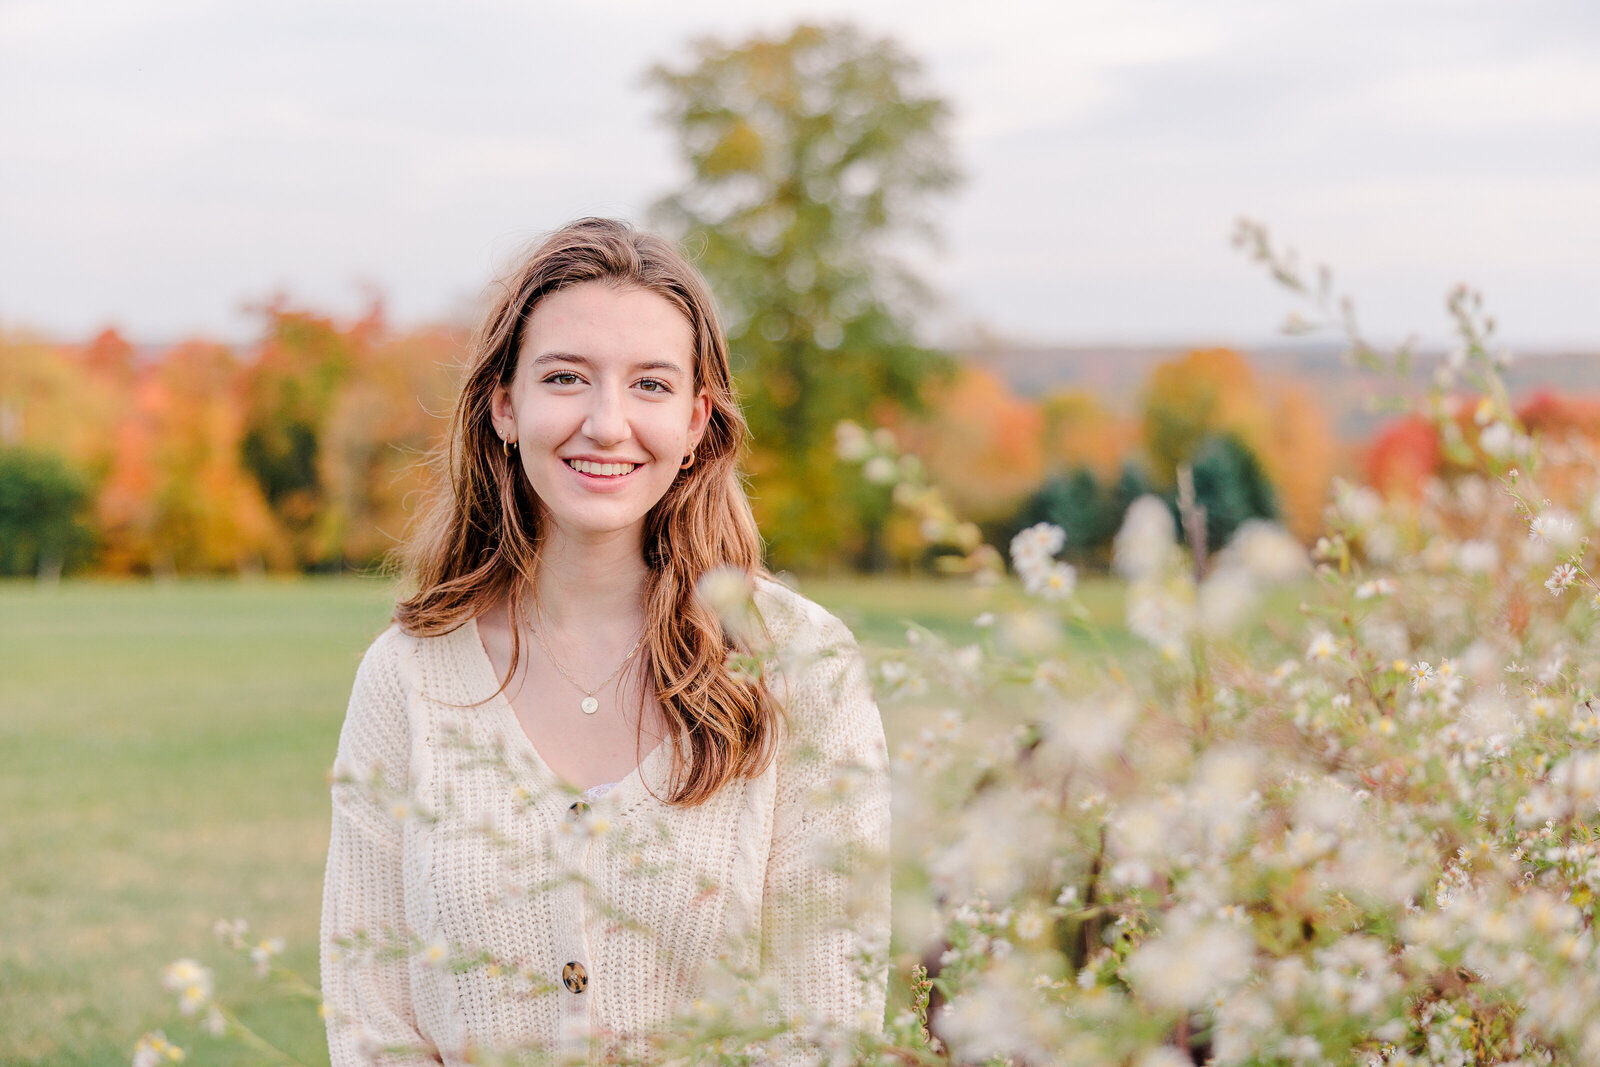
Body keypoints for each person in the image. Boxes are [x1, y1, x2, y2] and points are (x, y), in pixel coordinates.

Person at [319, 218, 890, 1065]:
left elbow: (829, 1011)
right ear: (505, 406)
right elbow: (371, 1015)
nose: (606, 423)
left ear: (698, 419)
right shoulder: (408, 676)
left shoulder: (799, 663)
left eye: (650, 385)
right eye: (565, 377)